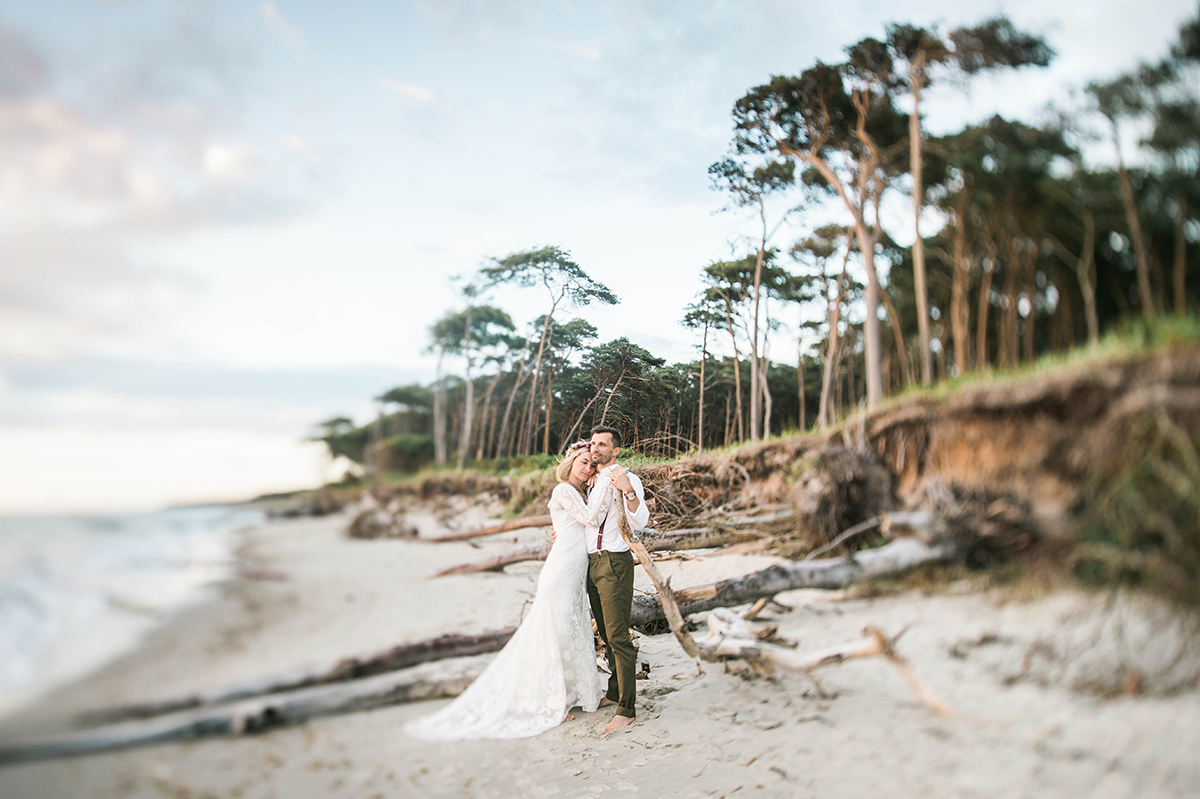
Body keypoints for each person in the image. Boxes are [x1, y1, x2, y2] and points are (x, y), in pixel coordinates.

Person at [404, 444, 634, 740]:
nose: (587, 468)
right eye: (583, 462)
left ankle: (582, 695)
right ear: (571, 462)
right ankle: (554, 700)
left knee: (575, 631)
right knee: (558, 632)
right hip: (562, 570)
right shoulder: (563, 490)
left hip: (578, 572)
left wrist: (597, 485)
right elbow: (590, 519)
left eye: (591, 465)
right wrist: (610, 480)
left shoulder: (581, 492)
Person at [585, 425, 649, 735]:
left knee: (619, 635)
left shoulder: (625, 477)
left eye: (602, 444)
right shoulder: (594, 480)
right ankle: (613, 693)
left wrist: (628, 490)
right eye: (593, 443)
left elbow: (641, 518)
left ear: (616, 450)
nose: (595, 448)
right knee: (606, 637)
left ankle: (627, 709)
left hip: (614, 562)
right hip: (592, 564)